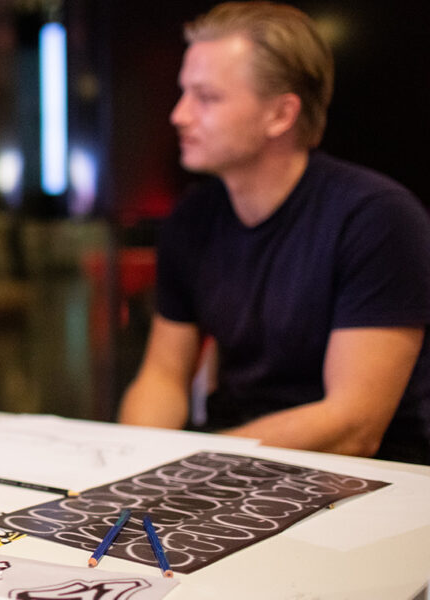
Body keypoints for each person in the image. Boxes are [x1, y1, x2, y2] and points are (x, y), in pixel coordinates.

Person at [119, 1, 430, 464]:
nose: (179, 115)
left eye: (206, 97)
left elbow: (354, 426)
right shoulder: (191, 219)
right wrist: (131, 465)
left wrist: (194, 463)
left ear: (280, 115)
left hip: (368, 480)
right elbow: (163, 378)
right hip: (230, 461)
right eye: (183, 93)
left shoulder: (377, 217)